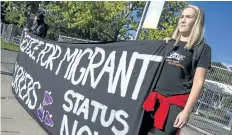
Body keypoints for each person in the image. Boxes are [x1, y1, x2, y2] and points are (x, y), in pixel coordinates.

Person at [139, 4, 211, 135]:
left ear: (197, 22)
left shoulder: (202, 49)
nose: (183, 20)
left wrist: (186, 111)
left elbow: (198, 83)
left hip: (174, 105)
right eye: (182, 16)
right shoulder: (167, 44)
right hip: (151, 99)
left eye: (188, 17)